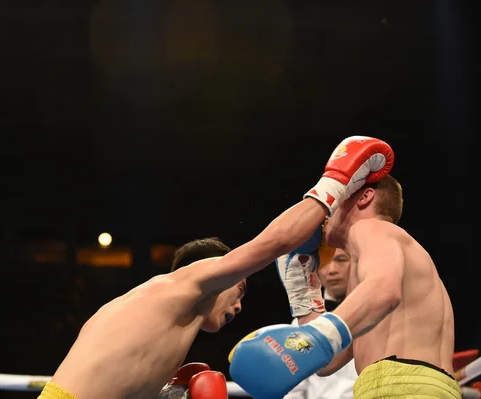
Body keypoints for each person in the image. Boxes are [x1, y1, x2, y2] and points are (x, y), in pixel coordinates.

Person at [37, 136, 394, 399]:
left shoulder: (148, 312)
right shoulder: (185, 283)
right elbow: (274, 244)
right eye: (238, 289)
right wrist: (336, 182)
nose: (239, 306)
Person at [229, 174, 459, 398]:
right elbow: (327, 362)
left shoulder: (372, 228)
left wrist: (314, 336)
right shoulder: (381, 270)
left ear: (364, 197)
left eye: (335, 200)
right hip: (414, 384)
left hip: (400, 386)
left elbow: (384, 291)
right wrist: (303, 292)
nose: (325, 213)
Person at [282, 248, 358, 399]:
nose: (332, 270)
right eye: (325, 263)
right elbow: (295, 388)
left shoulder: (379, 312)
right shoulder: (299, 324)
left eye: (341, 260)